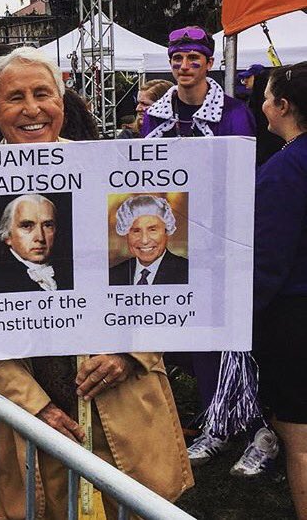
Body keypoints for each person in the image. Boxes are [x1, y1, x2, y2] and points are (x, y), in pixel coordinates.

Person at [0, 46, 192, 520]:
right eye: (15, 97)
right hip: (21, 409)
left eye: (42, 93)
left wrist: (131, 351)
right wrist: (35, 405)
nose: (31, 109)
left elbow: (169, 296)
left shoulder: (111, 168)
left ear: (62, 103)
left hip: (117, 400)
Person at [142, 26, 259, 467]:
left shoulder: (233, 113)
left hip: (223, 236)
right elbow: (146, 169)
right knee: (181, 328)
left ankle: (233, 418)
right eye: (178, 60)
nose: (185, 67)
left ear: (209, 63)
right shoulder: (156, 115)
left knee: (223, 332)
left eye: (193, 59)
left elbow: (242, 175)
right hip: (172, 233)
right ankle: (202, 415)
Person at [253, 62, 307, 515]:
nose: (263, 106)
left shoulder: (283, 169)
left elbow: (267, 258)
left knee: (302, 442)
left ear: (284, 106)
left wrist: (243, 315)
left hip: (295, 319)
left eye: (267, 97)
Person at [0, 194, 73, 293]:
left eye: (48, 225)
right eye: (27, 226)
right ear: (7, 235)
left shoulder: (70, 272)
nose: (40, 238)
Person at [109, 195, 189, 285]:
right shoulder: (113, 275)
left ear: (166, 231)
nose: (144, 240)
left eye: (152, 230)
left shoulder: (188, 272)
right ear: (126, 234)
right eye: (136, 231)